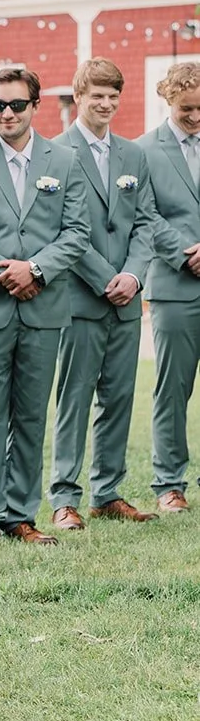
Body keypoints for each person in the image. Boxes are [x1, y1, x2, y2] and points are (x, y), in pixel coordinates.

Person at [0, 66, 89, 547]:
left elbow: (76, 233)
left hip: (44, 306)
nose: (5, 114)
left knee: (31, 414)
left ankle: (21, 515)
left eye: (15, 104)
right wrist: (6, 272)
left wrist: (37, 270)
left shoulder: (65, 160)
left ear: (35, 106)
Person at [49, 59, 160, 527]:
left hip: (128, 300)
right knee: (74, 396)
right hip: (80, 297)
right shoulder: (54, 153)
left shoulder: (134, 156)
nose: (106, 104)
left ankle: (108, 491)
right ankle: (64, 497)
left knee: (119, 396)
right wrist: (104, 277)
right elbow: (57, 228)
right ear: (79, 97)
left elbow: (147, 222)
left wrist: (133, 276)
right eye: (97, 95)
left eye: (113, 96)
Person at [137, 61, 200, 511]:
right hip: (175, 284)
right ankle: (169, 483)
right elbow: (147, 215)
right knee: (172, 387)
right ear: (168, 100)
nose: (196, 117)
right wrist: (186, 251)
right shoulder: (145, 151)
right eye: (186, 110)